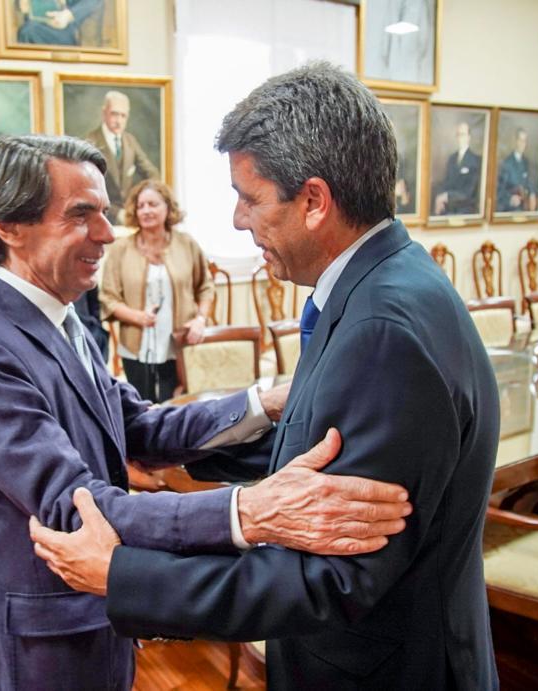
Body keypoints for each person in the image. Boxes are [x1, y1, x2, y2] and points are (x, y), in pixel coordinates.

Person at [31, 62, 501, 690]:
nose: (235, 220)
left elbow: (329, 576)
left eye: (249, 198)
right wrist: (193, 461)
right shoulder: (384, 283)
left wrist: (124, 575)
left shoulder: (382, 330)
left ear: (313, 201)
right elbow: (319, 469)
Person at [0, 134, 413, 690]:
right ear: (10, 227)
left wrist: (264, 401)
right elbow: (79, 509)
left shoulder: (63, 319)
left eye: (106, 213)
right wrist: (249, 511)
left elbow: (140, 425)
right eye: (81, 215)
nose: (107, 233)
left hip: (97, 613)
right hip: (45, 640)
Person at [101, 180, 213, 402]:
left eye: (152, 204)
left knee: (177, 404)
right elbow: (108, 297)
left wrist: (200, 320)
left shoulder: (187, 244)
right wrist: (138, 317)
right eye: (141, 206)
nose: (146, 211)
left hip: (179, 344)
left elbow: (206, 287)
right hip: (135, 346)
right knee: (142, 406)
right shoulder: (120, 249)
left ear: (168, 208)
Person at [83, 91, 161, 223]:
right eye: (114, 114)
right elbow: (87, 189)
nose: (119, 121)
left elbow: (152, 174)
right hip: (101, 218)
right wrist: (116, 213)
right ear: (104, 113)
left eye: (123, 116)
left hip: (129, 217)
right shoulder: (91, 142)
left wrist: (141, 201)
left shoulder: (130, 141)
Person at [433, 120, 482, 216]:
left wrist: (446, 196)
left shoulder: (475, 160)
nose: (460, 138)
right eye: (458, 135)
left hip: (466, 209)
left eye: (463, 134)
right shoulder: (452, 158)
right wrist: (439, 197)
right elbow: (446, 183)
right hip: (449, 207)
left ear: (469, 137)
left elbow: (468, 193)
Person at [16, 0, 102, 46]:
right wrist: (22, 4)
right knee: (27, 31)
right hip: (37, 24)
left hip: (65, 30)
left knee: (28, 32)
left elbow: (93, 1)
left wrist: (68, 15)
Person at [496, 128, 538, 212]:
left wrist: (533, 193)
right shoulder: (506, 163)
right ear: (515, 141)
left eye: (525, 141)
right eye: (520, 140)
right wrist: (510, 198)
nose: (522, 144)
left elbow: (530, 183)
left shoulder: (527, 162)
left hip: (526, 208)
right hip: (511, 210)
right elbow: (499, 190)